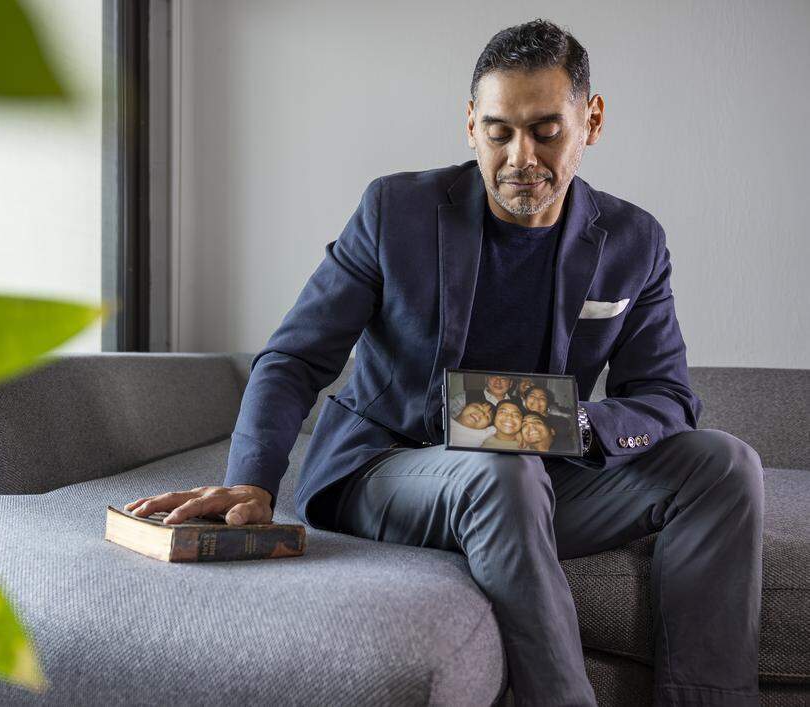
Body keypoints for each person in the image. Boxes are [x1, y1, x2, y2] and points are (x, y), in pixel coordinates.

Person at [124, 18, 763, 706]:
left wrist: (565, 423)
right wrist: (252, 480)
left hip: (538, 478)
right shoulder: (395, 210)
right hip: (385, 470)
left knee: (725, 465)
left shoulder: (634, 240)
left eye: (546, 130)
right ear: (470, 125)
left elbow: (666, 400)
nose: (521, 155)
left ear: (591, 120)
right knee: (504, 471)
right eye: (499, 131)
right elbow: (292, 358)